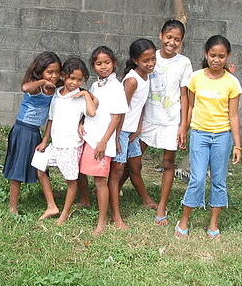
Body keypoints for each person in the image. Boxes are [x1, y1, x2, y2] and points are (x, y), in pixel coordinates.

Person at [176, 35, 241, 240]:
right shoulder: (196, 78)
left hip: (222, 136)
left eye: (221, 56)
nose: (216, 59)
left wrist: (237, 145)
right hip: (199, 134)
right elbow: (191, 106)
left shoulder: (232, 83)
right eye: (212, 55)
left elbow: (234, 115)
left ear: (227, 57)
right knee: (197, 178)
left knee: (219, 180)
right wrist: (184, 129)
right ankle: (184, 220)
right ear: (206, 54)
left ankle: (213, 224)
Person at [140, 20, 193, 226]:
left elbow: (185, 96)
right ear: (161, 35)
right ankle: (120, 190)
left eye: (177, 39)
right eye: (169, 37)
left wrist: (183, 125)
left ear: (181, 42)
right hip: (147, 118)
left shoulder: (184, 63)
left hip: (171, 121)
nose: (172, 42)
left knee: (168, 163)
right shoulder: (151, 57)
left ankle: (161, 206)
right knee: (133, 156)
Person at [32, 57, 97, 224]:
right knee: (40, 168)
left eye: (79, 79)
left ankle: (65, 213)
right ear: (63, 76)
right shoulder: (56, 94)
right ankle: (52, 205)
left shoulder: (81, 97)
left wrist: (84, 93)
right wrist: (45, 140)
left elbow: (91, 112)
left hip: (70, 146)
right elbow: (51, 119)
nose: (74, 83)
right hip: (56, 144)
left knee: (70, 180)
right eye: (71, 78)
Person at [77, 47, 129, 235]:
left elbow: (117, 118)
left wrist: (104, 142)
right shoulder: (95, 85)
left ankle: (102, 221)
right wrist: (82, 123)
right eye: (99, 63)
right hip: (89, 137)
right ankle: (85, 200)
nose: (103, 66)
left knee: (100, 181)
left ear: (114, 63)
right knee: (82, 172)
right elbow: (89, 108)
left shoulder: (116, 87)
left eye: (107, 62)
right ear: (93, 66)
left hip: (101, 141)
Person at [3, 52, 62, 214]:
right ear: (40, 71)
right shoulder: (36, 87)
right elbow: (24, 87)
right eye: (50, 72)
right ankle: (13, 206)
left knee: (41, 164)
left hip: (35, 131)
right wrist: (43, 81)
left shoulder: (57, 86)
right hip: (23, 130)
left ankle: (48, 194)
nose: (54, 76)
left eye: (57, 72)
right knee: (18, 167)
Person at [109, 39, 157, 229]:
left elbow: (140, 106)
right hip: (120, 132)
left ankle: (145, 199)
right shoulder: (131, 80)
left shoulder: (146, 77)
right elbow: (120, 110)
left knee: (135, 167)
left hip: (132, 131)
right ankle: (115, 216)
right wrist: (116, 138)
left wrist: (138, 126)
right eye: (146, 60)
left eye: (153, 59)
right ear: (136, 61)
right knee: (117, 172)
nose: (151, 63)